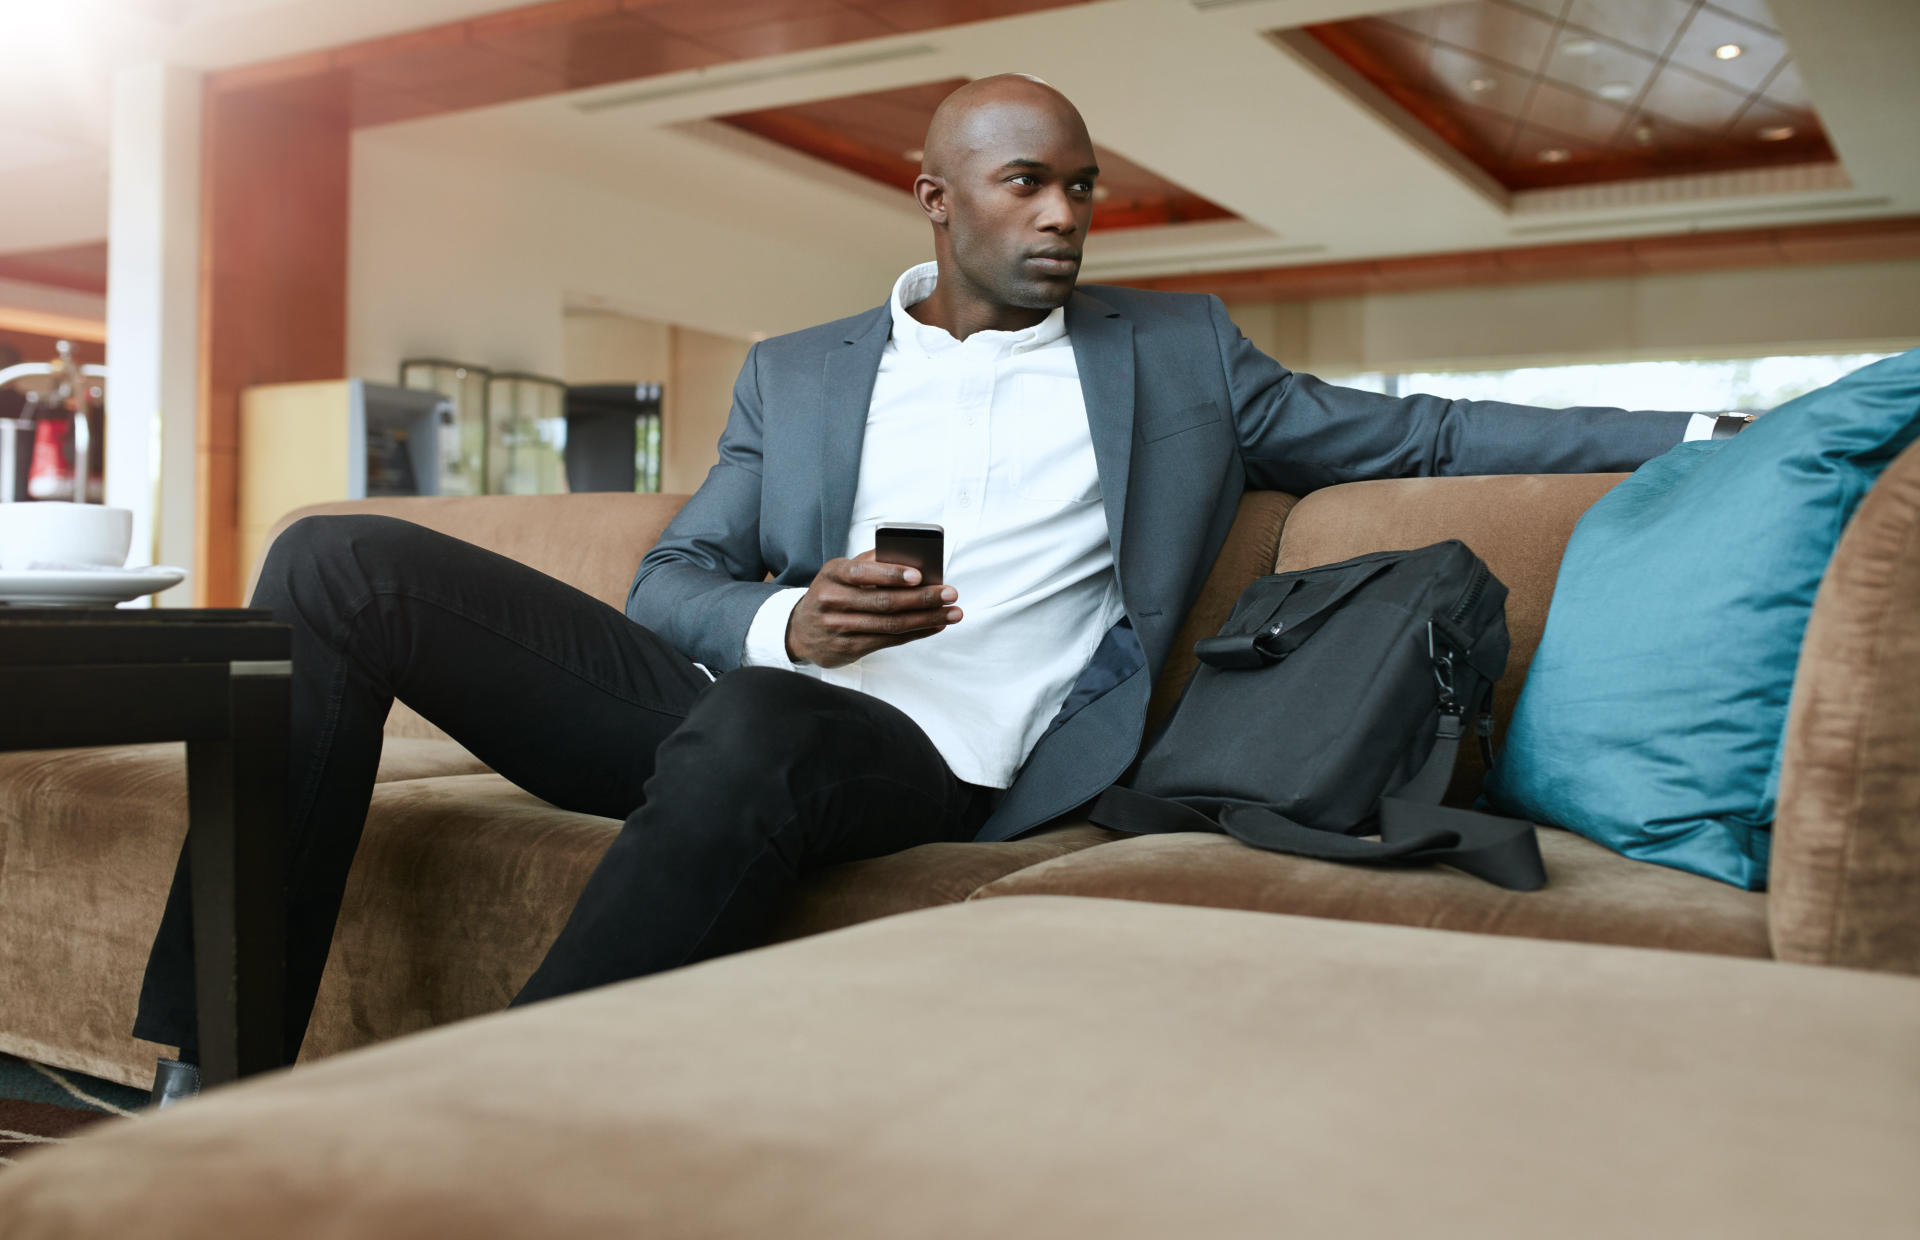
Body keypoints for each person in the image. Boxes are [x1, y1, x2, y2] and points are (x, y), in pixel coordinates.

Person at [135, 74, 1726, 1105]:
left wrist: (1718, 428)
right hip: (723, 703)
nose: (1063, 218)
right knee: (332, 558)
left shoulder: (1178, 362)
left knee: (757, 732)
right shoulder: (805, 375)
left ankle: (475, 1126)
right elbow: (673, 578)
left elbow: (1433, 429)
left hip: (940, 760)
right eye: (1027, 184)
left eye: (1084, 189)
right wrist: (787, 619)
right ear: (937, 197)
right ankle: (215, 1077)